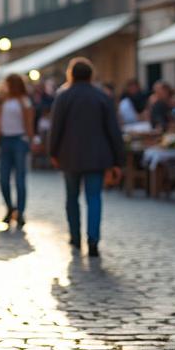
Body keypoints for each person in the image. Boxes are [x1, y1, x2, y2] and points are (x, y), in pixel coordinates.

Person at [49, 57, 125, 256]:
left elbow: (55, 128)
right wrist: (118, 159)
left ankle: (75, 237)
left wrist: (53, 152)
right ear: (91, 74)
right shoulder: (101, 96)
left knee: (72, 198)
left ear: (71, 74)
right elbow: (113, 130)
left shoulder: (64, 96)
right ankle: (93, 239)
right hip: (97, 156)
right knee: (94, 198)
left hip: (69, 155)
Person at [0, 73, 34, 229]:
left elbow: (29, 121)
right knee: (3, 179)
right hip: (5, 141)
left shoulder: (24, 100)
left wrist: (31, 139)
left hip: (20, 141)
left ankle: (20, 212)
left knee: (20, 179)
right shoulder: (1, 100)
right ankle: (10, 208)